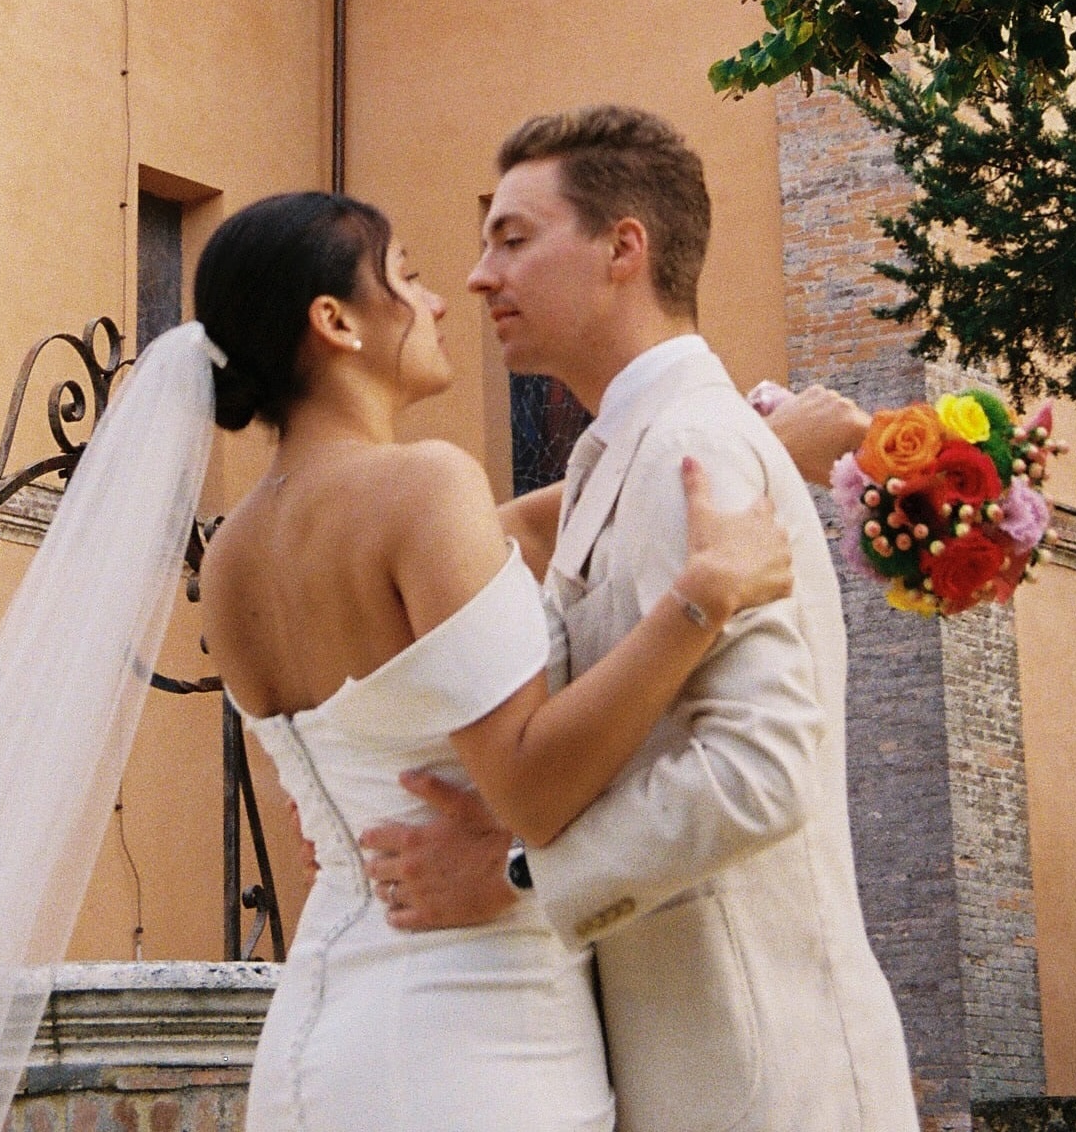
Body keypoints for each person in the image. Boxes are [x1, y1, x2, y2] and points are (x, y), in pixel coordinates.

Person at [360, 106, 920, 1132]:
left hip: (760, 1075)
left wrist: (520, 869)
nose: (481, 276)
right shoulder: (613, 454)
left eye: (514, 238)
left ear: (625, 247)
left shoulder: (692, 451)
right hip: (675, 1068)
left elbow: (762, 771)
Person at [192, 190, 796, 1132]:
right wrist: (702, 599)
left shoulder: (232, 553)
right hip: (475, 1032)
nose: (438, 303)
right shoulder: (424, 485)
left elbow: (521, 528)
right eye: (409, 277)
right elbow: (531, 790)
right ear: (335, 321)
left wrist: (761, 442)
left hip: (320, 1030)